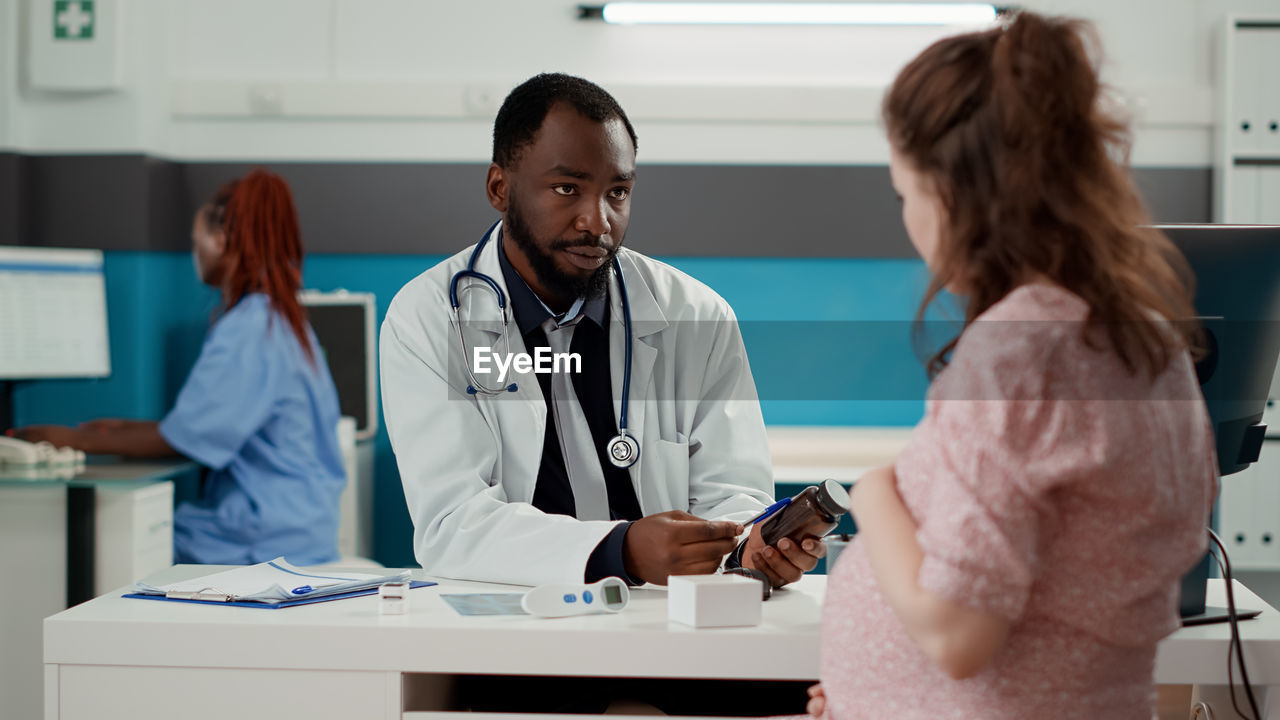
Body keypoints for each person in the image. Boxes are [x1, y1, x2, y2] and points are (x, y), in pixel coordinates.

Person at [800, 12, 1220, 720]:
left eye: (907, 193)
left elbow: (958, 634)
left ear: (956, 190)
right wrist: (875, 691)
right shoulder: (1147, 340)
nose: (909, 222)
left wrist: (872, 494)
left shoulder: (1019, 350)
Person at [382, 73, 824, 592]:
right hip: (515, 625)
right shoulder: (430, 318)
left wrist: (753, 546)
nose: (598, 221)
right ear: (500, 188)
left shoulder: (696, 314)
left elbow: (734, 496)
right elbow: (452, 524)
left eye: (618, 192)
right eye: (567, 188)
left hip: (670, 624)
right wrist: (620, 550)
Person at [16, 170, 346, 566]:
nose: (197, 256)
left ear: (222, 241)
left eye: (196, 243)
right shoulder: (285, 321)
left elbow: (186, 437)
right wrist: (120, 429)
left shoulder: (248, 329)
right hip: (305, 528)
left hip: (262, 540)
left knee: (123, 545)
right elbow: (204, 425)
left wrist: (73, 440)